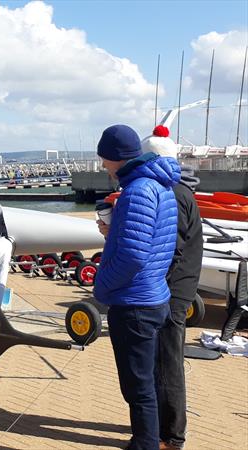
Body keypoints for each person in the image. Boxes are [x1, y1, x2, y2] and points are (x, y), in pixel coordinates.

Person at [93, 124, 180, 450]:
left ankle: (144, 445)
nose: (103, 166)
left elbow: (131, 257)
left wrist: (102, 287)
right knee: (149, 381)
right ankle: (153, 439)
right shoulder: (160, 186)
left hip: (134, 304)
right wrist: (112, 231)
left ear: (115, 157)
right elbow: (157, 242)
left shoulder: (138, 191)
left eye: (104, 159)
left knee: (137, 385)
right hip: (154, 296)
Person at [141, 125, 203, 450]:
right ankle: (162, 427)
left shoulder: (174, 194)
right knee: (160, 364)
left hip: (171, 293)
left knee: (167, 365)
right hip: (172, 288)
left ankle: (171, 438)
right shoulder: (176, 189)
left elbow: (171, 252)